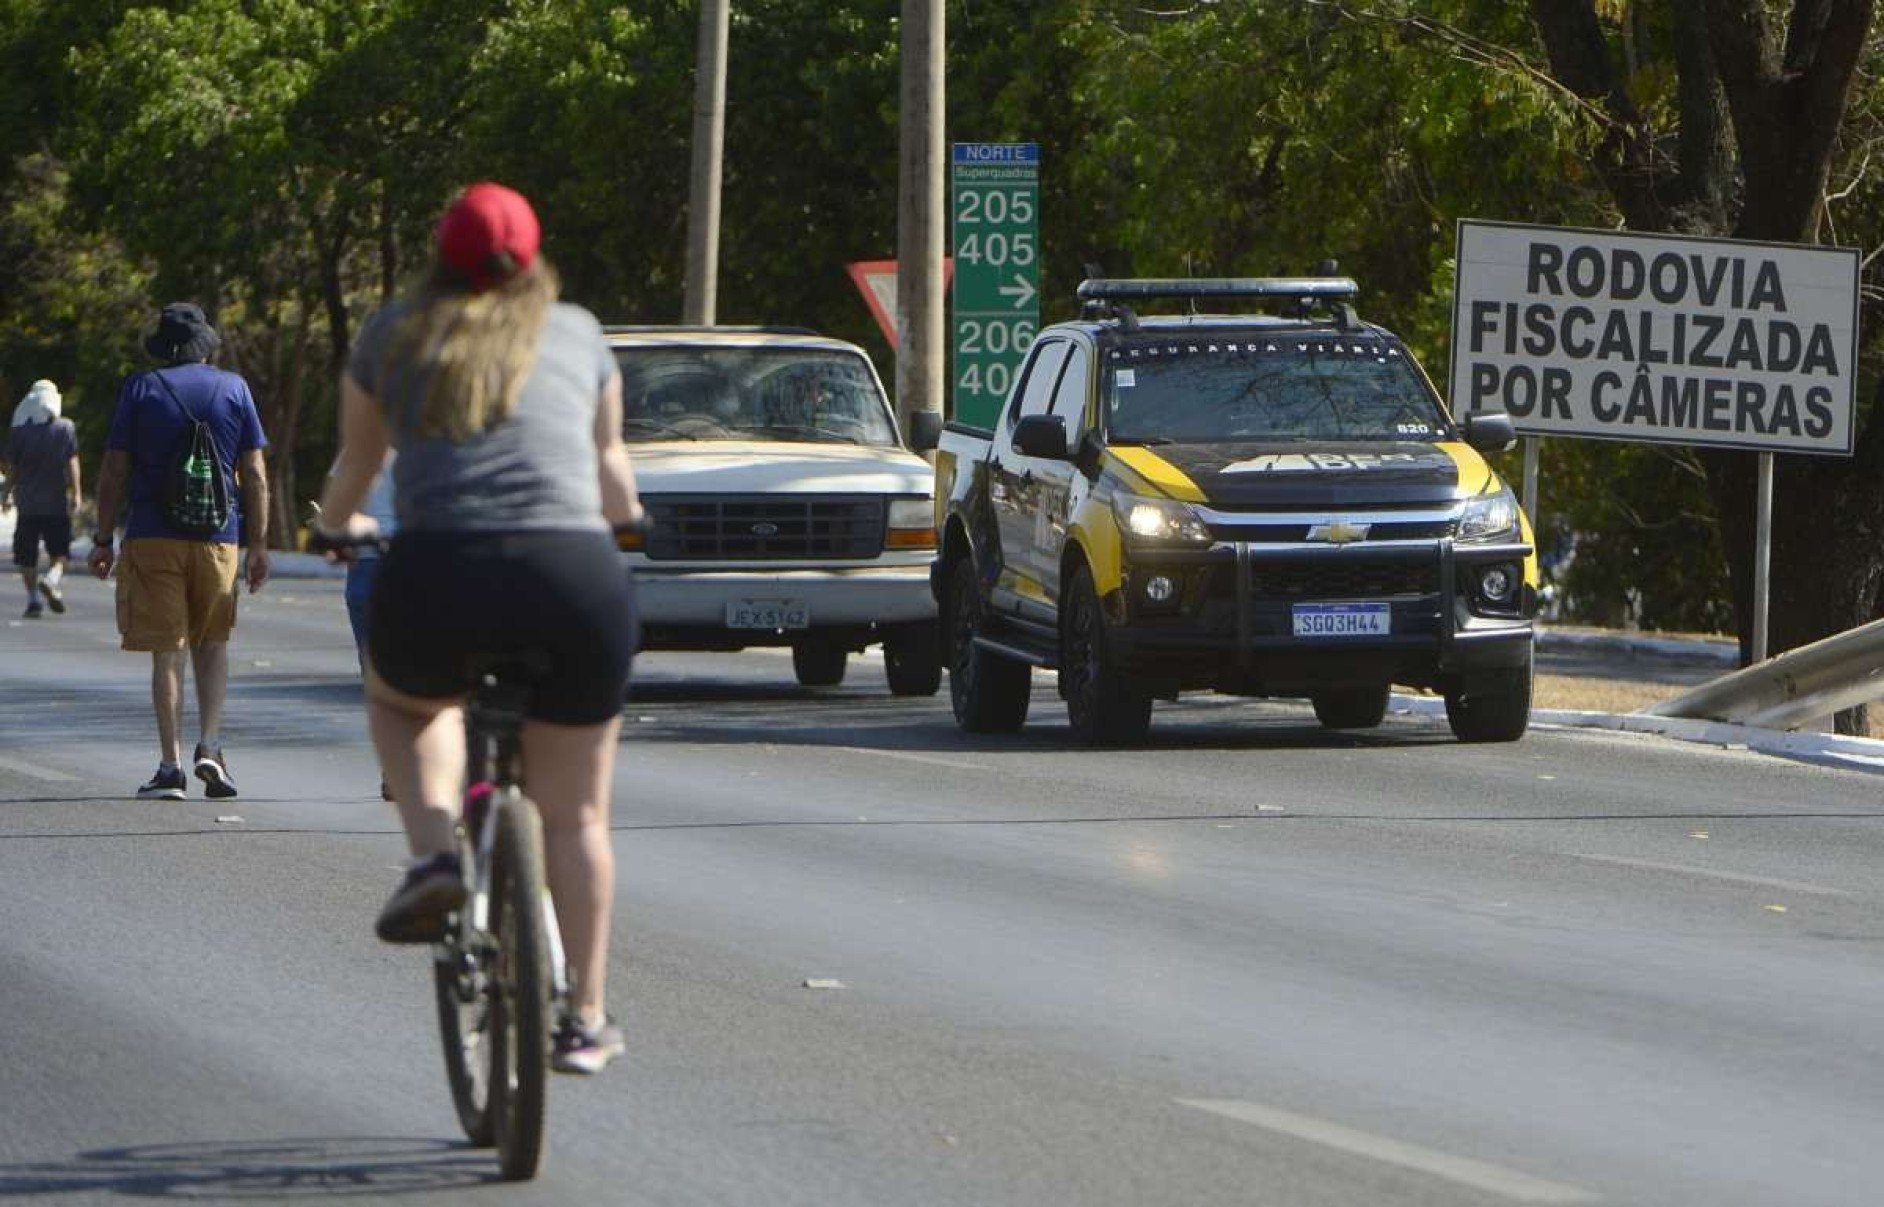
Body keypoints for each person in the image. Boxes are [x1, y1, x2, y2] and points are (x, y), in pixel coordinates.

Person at [312, 181, 643, 1075]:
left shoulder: (393, 333)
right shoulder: (578, 333)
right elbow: (611, 471)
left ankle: (431, 859)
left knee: (408, 704)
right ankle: (584, 1017)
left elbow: (359, 462)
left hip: (439, 571)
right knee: (576, 817)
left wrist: (330, 526)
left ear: (438, 259)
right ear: (532, 259)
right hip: (572, 577)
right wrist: (627, 518)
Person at [89, 303, 272, 800]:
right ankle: (210, 746)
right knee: (212, 644)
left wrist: (103, 538)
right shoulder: (234, 389)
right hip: (218, 538)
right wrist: (257, 543)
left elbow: (113, 471)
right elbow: (254, 474)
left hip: (152, 536)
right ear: (206, 346)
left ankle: (170, 767)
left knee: (167, 652)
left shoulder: (141, 388)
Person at [3, 380, 81, 618]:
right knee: (61, 552)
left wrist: (5, 493)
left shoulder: (19, 432)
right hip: (56, 503)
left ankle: (33, 599)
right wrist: (76, 492)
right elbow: (72, 462)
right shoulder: (65, 428)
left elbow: (13, 469)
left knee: (27, 555)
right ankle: (52, 578)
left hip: (27, 504)